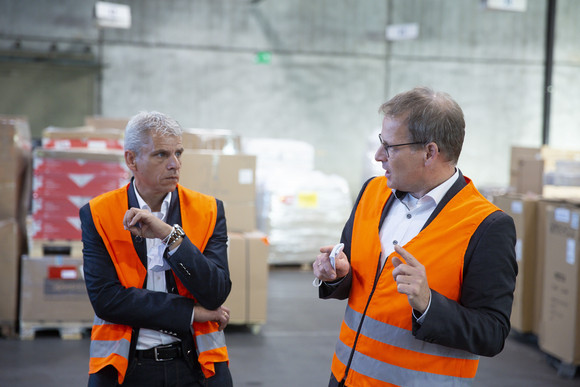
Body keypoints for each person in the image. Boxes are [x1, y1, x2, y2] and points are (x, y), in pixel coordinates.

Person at [313, 87, 517, 387]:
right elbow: (363, 287)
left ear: (429, 152)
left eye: (390, 146)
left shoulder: (486, 226)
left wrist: (428, 303)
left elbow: (492, 333)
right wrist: (337, 276)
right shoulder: (372, 192)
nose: (378, 155)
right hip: (344, 378)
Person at [80, 111, 233, 386]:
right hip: (125, 369)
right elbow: (107, 300)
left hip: (196, 366)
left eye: (178, 153)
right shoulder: (99, 214)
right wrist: (191, 312)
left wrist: (170, 236)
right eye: (161, 155)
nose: (175, 165)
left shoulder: (208, 210)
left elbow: (216, 291)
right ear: (131, 160)